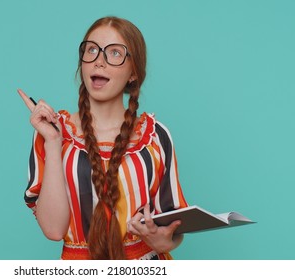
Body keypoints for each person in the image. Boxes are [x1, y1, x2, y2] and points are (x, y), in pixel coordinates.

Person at [18, 16, 188, 260]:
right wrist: (54, 144)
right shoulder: (53, 133)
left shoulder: (155, 137)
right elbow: (54, 230)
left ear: (133, 73)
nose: (99, 61)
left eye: (115, 53)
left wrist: (165, 241)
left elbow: (174, 226)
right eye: (92, 50)